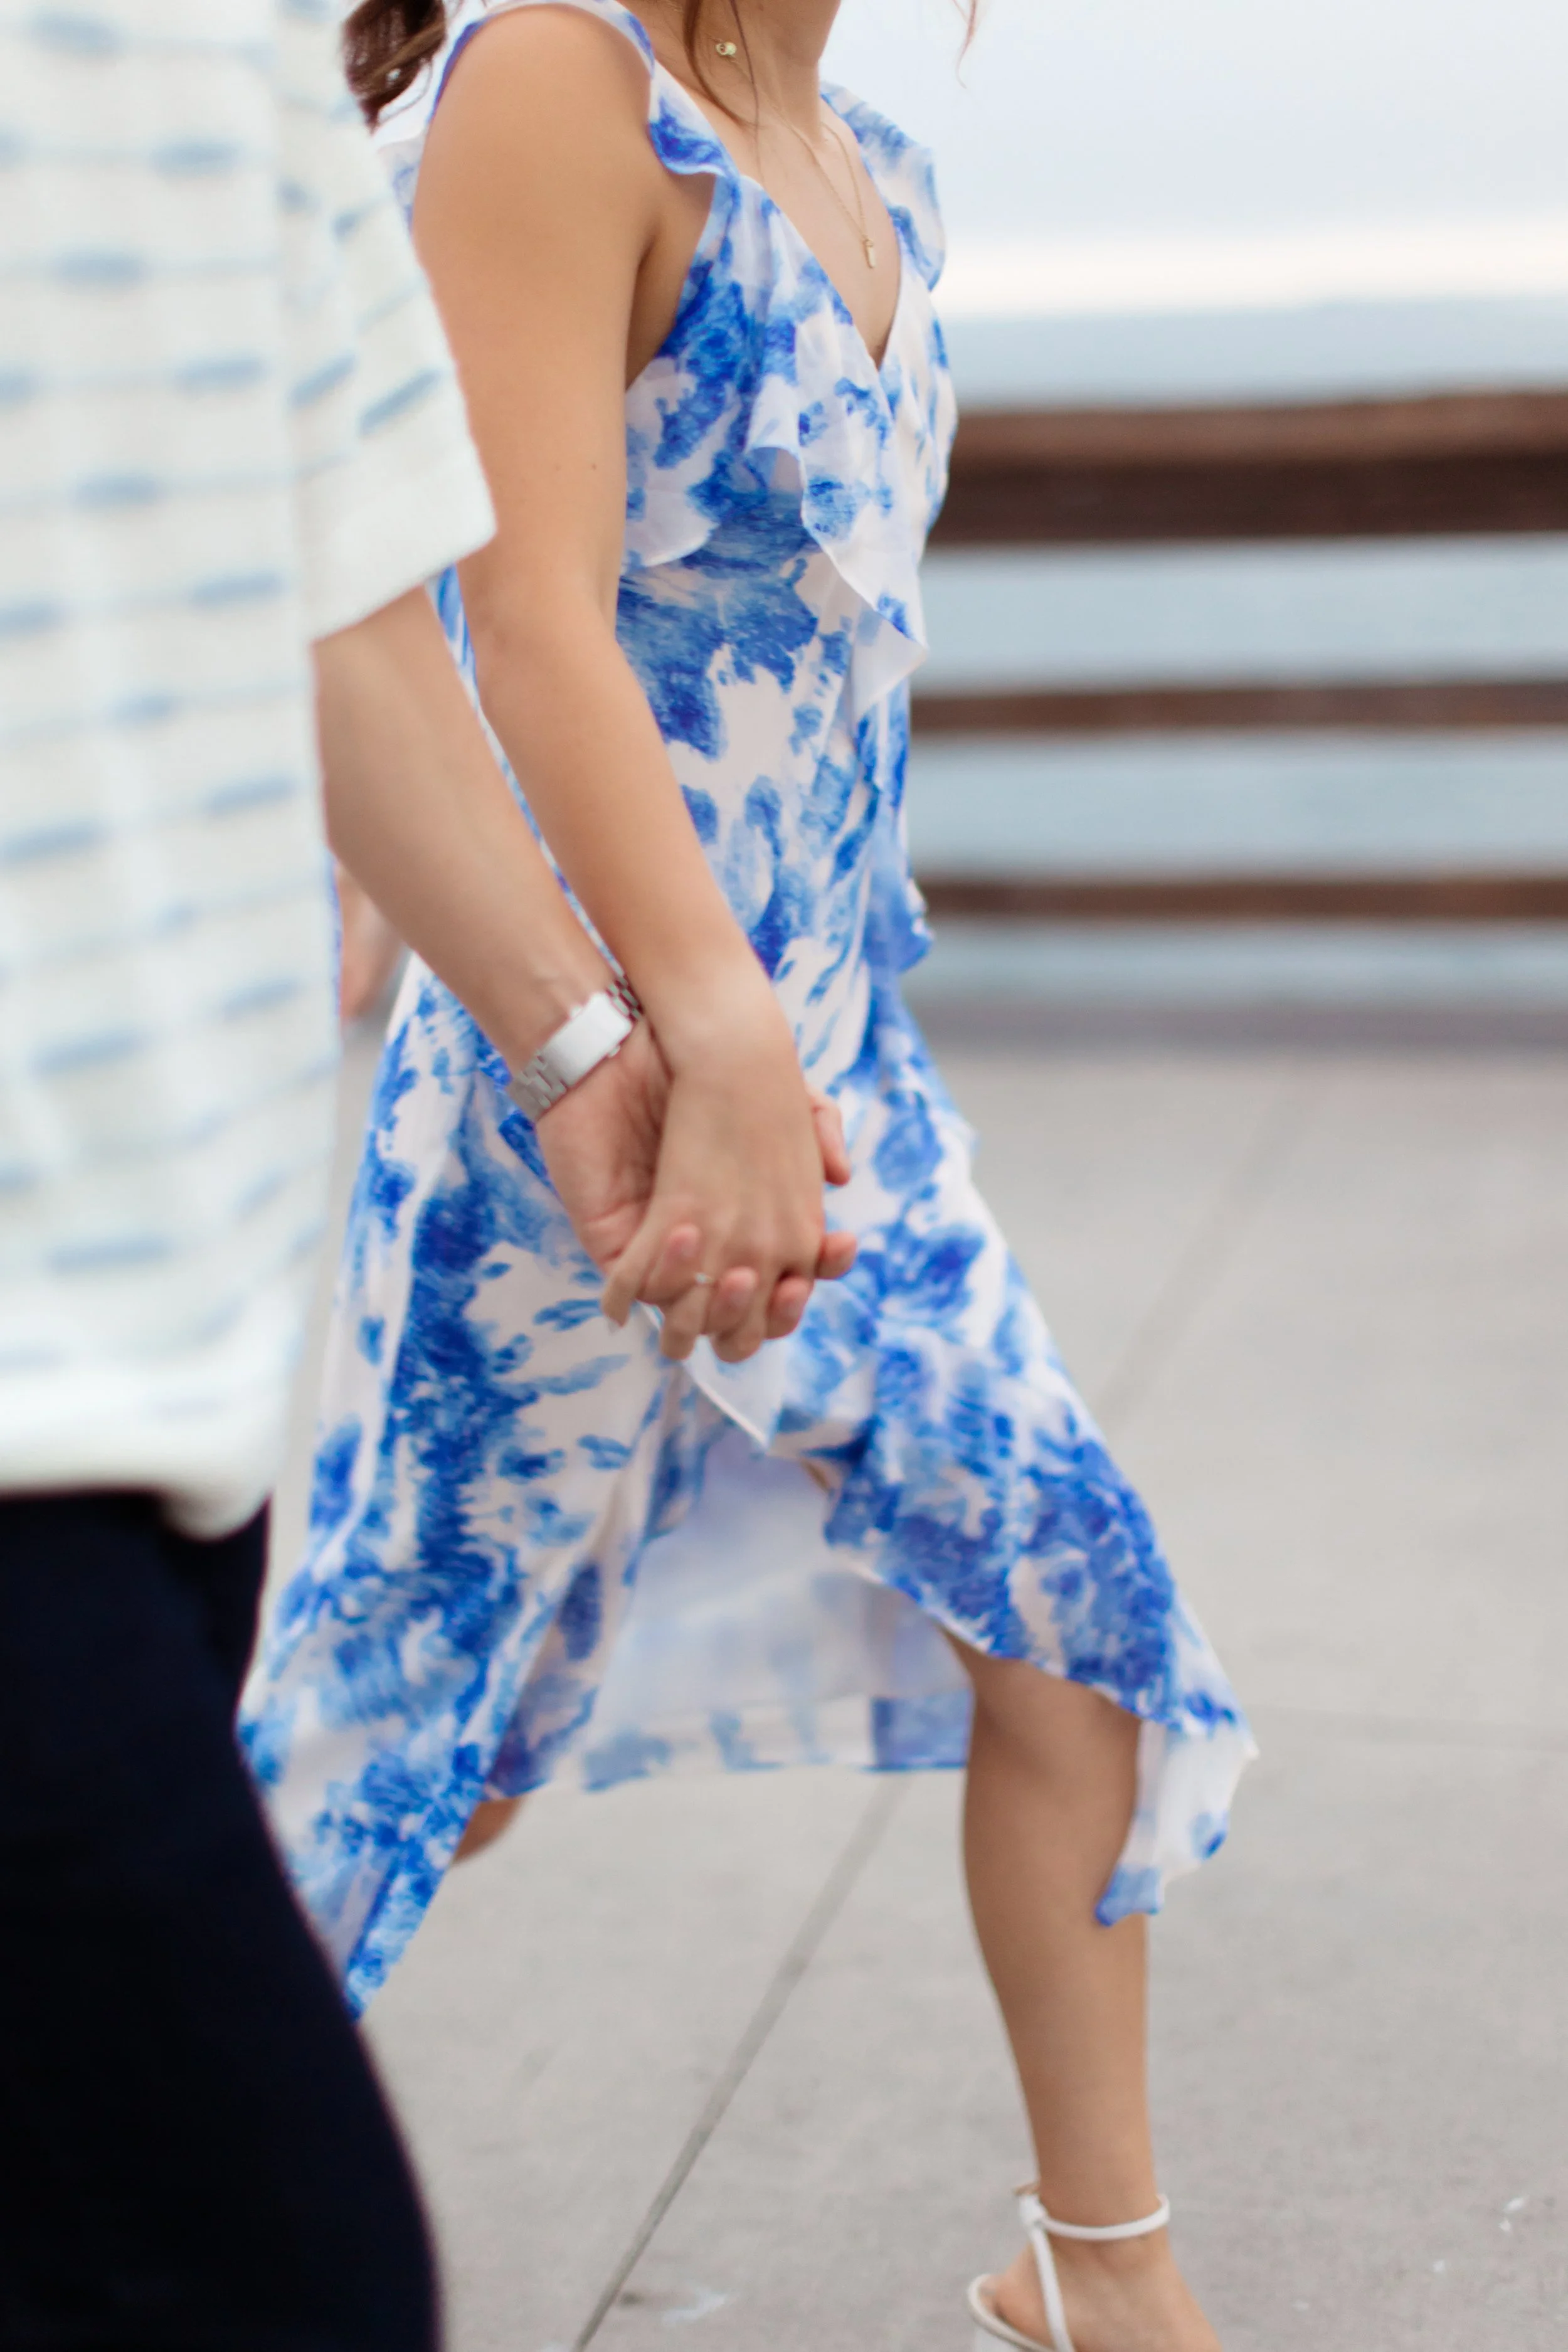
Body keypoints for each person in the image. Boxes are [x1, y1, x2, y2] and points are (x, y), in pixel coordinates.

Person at [241, 5, 1256, 2347]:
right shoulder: (549, 86)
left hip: (841, 1084)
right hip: (568, 1091)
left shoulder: (869, 158)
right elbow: (525, 614)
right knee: (397, 1753)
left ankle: (1101, 2278)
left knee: (1068, 1604)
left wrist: (794, 1030)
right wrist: (686, 1022)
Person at [0, 6, 849, 2346]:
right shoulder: (541, 86)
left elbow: (356, 604)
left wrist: (585, 1045)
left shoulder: (235, 51)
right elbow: (530, 611)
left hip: (167, 1384)